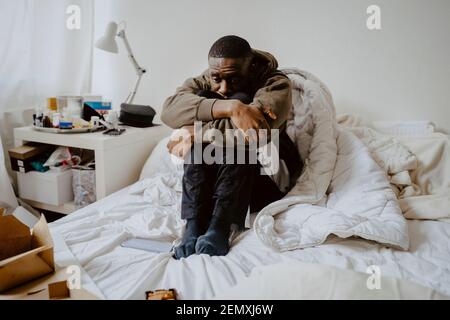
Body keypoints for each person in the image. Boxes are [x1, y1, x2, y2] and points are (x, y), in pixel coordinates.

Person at [161, 35, 302, 259]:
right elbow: (169, 110)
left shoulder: (275, 83)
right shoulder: (211, 78)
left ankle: (221, 225)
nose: (224, 88)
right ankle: (194, 224)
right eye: (217, 78)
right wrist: (231, 108)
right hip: (212, 181)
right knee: (207, 98)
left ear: (252, 67)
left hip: (263, 176)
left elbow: (254, 132)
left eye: (234, 79)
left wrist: (197, 132)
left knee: (237, 125)